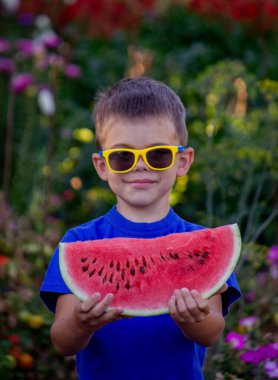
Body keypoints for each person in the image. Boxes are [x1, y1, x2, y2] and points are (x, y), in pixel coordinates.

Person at [40, 77, 241, 380]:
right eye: (123, 156)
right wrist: (82, 324)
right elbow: (62, 341)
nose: (140, 166)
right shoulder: (78, 242)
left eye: (158, 154)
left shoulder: (200, 244)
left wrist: (191, 319)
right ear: (102, 166)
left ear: (183, 161)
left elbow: (211, 332)